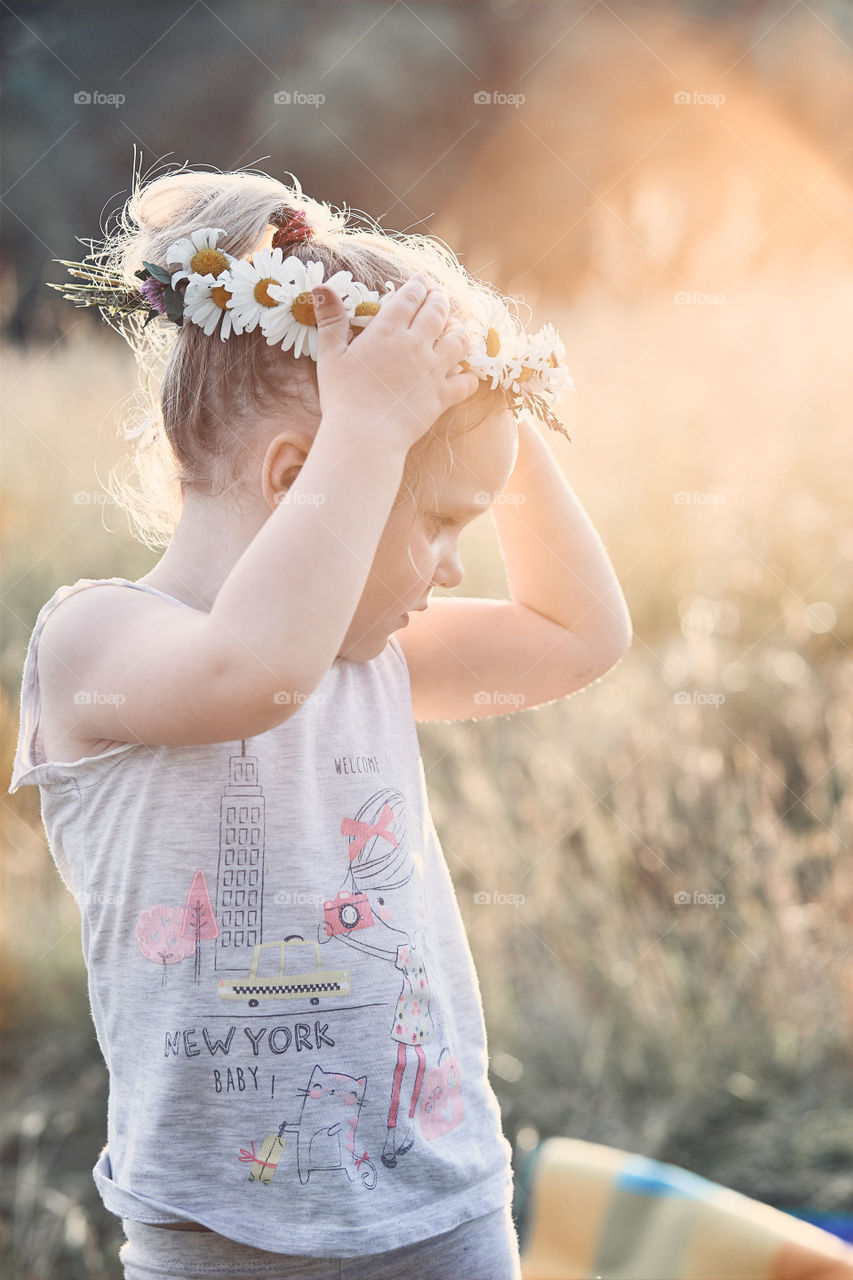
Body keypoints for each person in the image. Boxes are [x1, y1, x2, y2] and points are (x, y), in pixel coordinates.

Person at [8, 165, 632, 1280]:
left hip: (442, 1208)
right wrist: (373, 425)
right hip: (226, 1235)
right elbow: (253, 671)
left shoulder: (366, 653)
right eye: (440, 523)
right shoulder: (96, 643)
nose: (450, 569)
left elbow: (573, 632)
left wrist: (488, 395)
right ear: (304, 476)